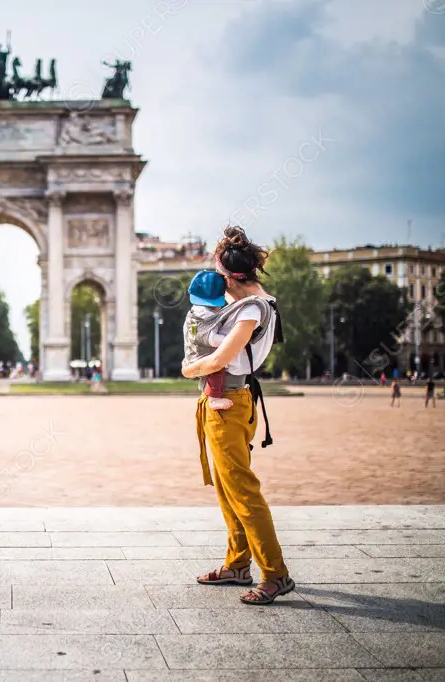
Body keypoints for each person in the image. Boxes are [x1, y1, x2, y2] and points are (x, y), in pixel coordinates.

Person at [182, 226, 293, 605]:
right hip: (228, 400)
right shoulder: (254, 304)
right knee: (229, 488)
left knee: (243, 489)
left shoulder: (251, 309)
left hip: (230, 400)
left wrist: (188, 369)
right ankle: (238, 563)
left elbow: (219, 358)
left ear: (230, 277)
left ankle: (275, 574)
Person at [182, 270, 234, 411]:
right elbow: (211, 339)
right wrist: (233, 339)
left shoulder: (195, 312)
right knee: (216, 369)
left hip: (192, 354)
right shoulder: (206, 316)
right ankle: (214, 399)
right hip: (201, 356)